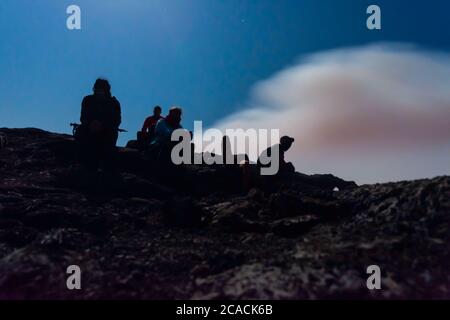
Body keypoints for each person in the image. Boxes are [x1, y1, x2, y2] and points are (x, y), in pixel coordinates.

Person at [77, 78, 122, 172]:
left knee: (110, 137)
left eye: (102, 88)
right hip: (89, 129)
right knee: (81, 132)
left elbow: (117, 121)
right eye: (98, 87)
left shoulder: (114, 103)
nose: (99, 90)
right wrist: (91, 123)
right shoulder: (88, 100)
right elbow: (83, 117)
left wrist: (103, 125)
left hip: (107, 132)